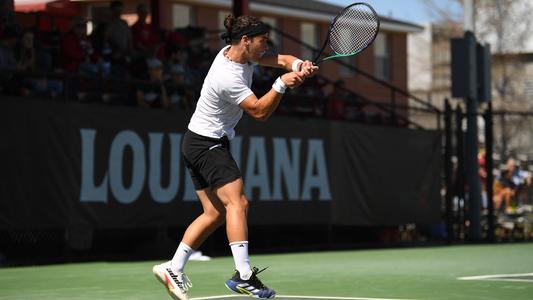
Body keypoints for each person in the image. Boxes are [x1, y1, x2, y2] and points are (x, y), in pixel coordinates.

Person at [152, 14, 317, 300]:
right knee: (238, 203)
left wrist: (299, 65)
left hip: (195, 141)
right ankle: (244, 277)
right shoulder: (227, 77)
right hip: (207, 144)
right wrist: (281, 84)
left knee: (215, 213)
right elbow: (259, 111)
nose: (266, 47)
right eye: (262, 41)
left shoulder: (240, 54)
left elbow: (281, 60)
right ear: (246, 41)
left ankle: (173, 267)